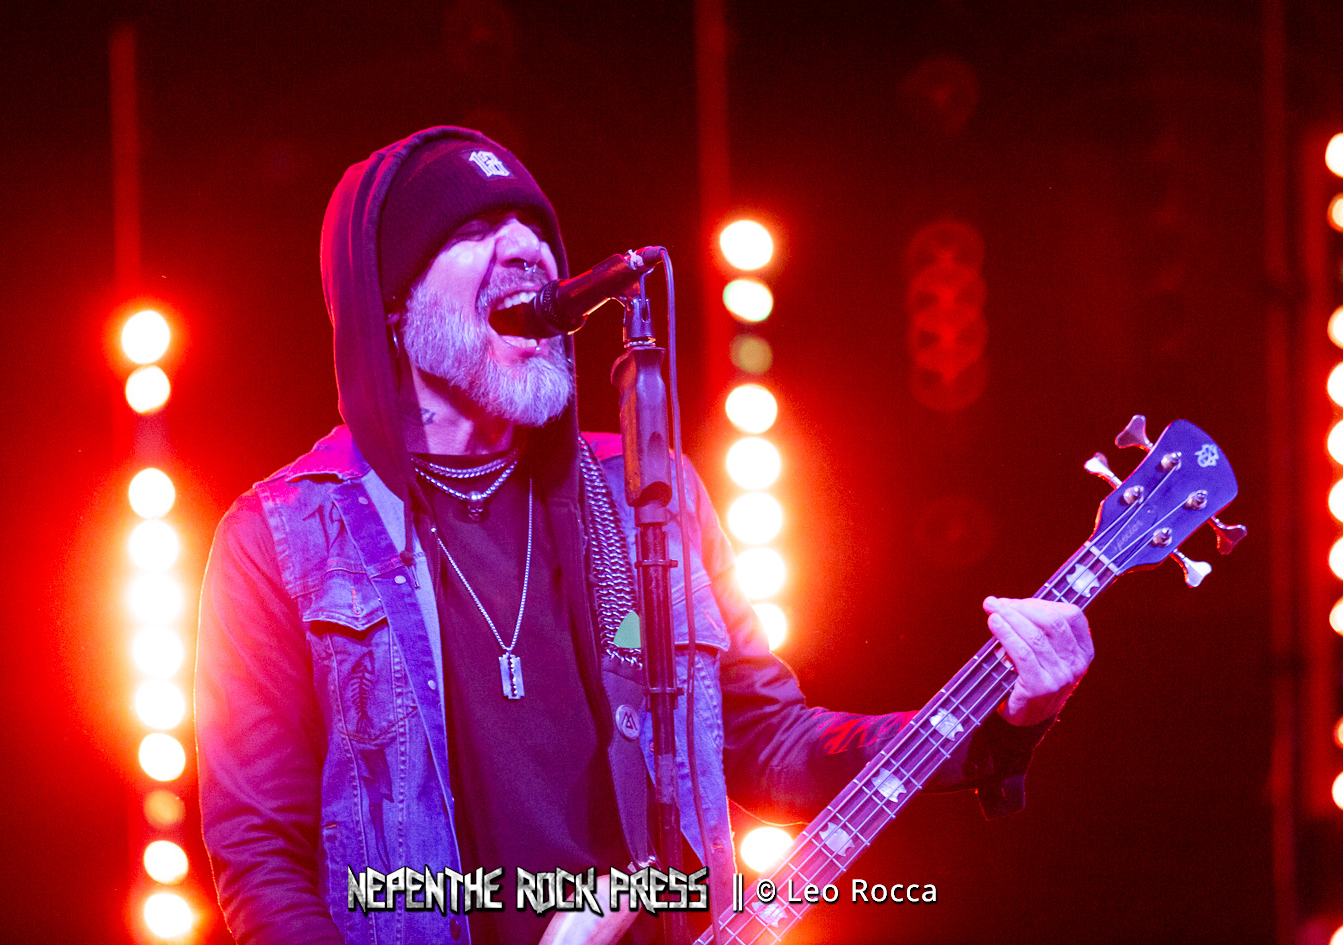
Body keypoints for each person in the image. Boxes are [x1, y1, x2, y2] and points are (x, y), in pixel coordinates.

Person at [194, 126, 1093, 945]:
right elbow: (261, 858)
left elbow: (764, 738)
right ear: (392, 306)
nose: (527, 248)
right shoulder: (283, 539)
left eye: (534, 227)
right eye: (474, 231)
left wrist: (998, 717)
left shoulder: (643, 499)